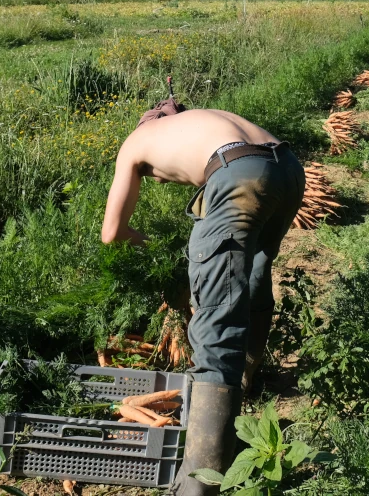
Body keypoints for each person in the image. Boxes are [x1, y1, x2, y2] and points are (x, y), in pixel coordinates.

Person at [101, 97, 305, 496]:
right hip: (286, 166)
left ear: (148, 122)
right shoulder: (204, 121)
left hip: (238, 173)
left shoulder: (136, 140)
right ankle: (245, 381)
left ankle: (199, 483)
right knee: (252, 279)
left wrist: (163, 251)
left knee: (216, 319)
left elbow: (112, 233)